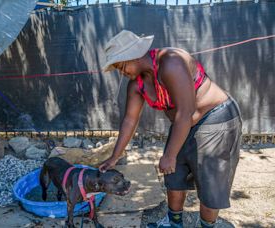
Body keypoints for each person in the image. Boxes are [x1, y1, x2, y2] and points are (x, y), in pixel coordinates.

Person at [99, 30, 242, 228]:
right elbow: (129, 121)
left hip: (215, 118)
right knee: (173, 176)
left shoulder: (170, 62)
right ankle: (174, 223)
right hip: (185, 123)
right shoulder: (136, 85)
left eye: (121, 65)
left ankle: (207, 225)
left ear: (134, 55)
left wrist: (170, 154)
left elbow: (185, 111)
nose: (121, 72)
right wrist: (115, 156)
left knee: (209, 184)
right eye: (117, 68)